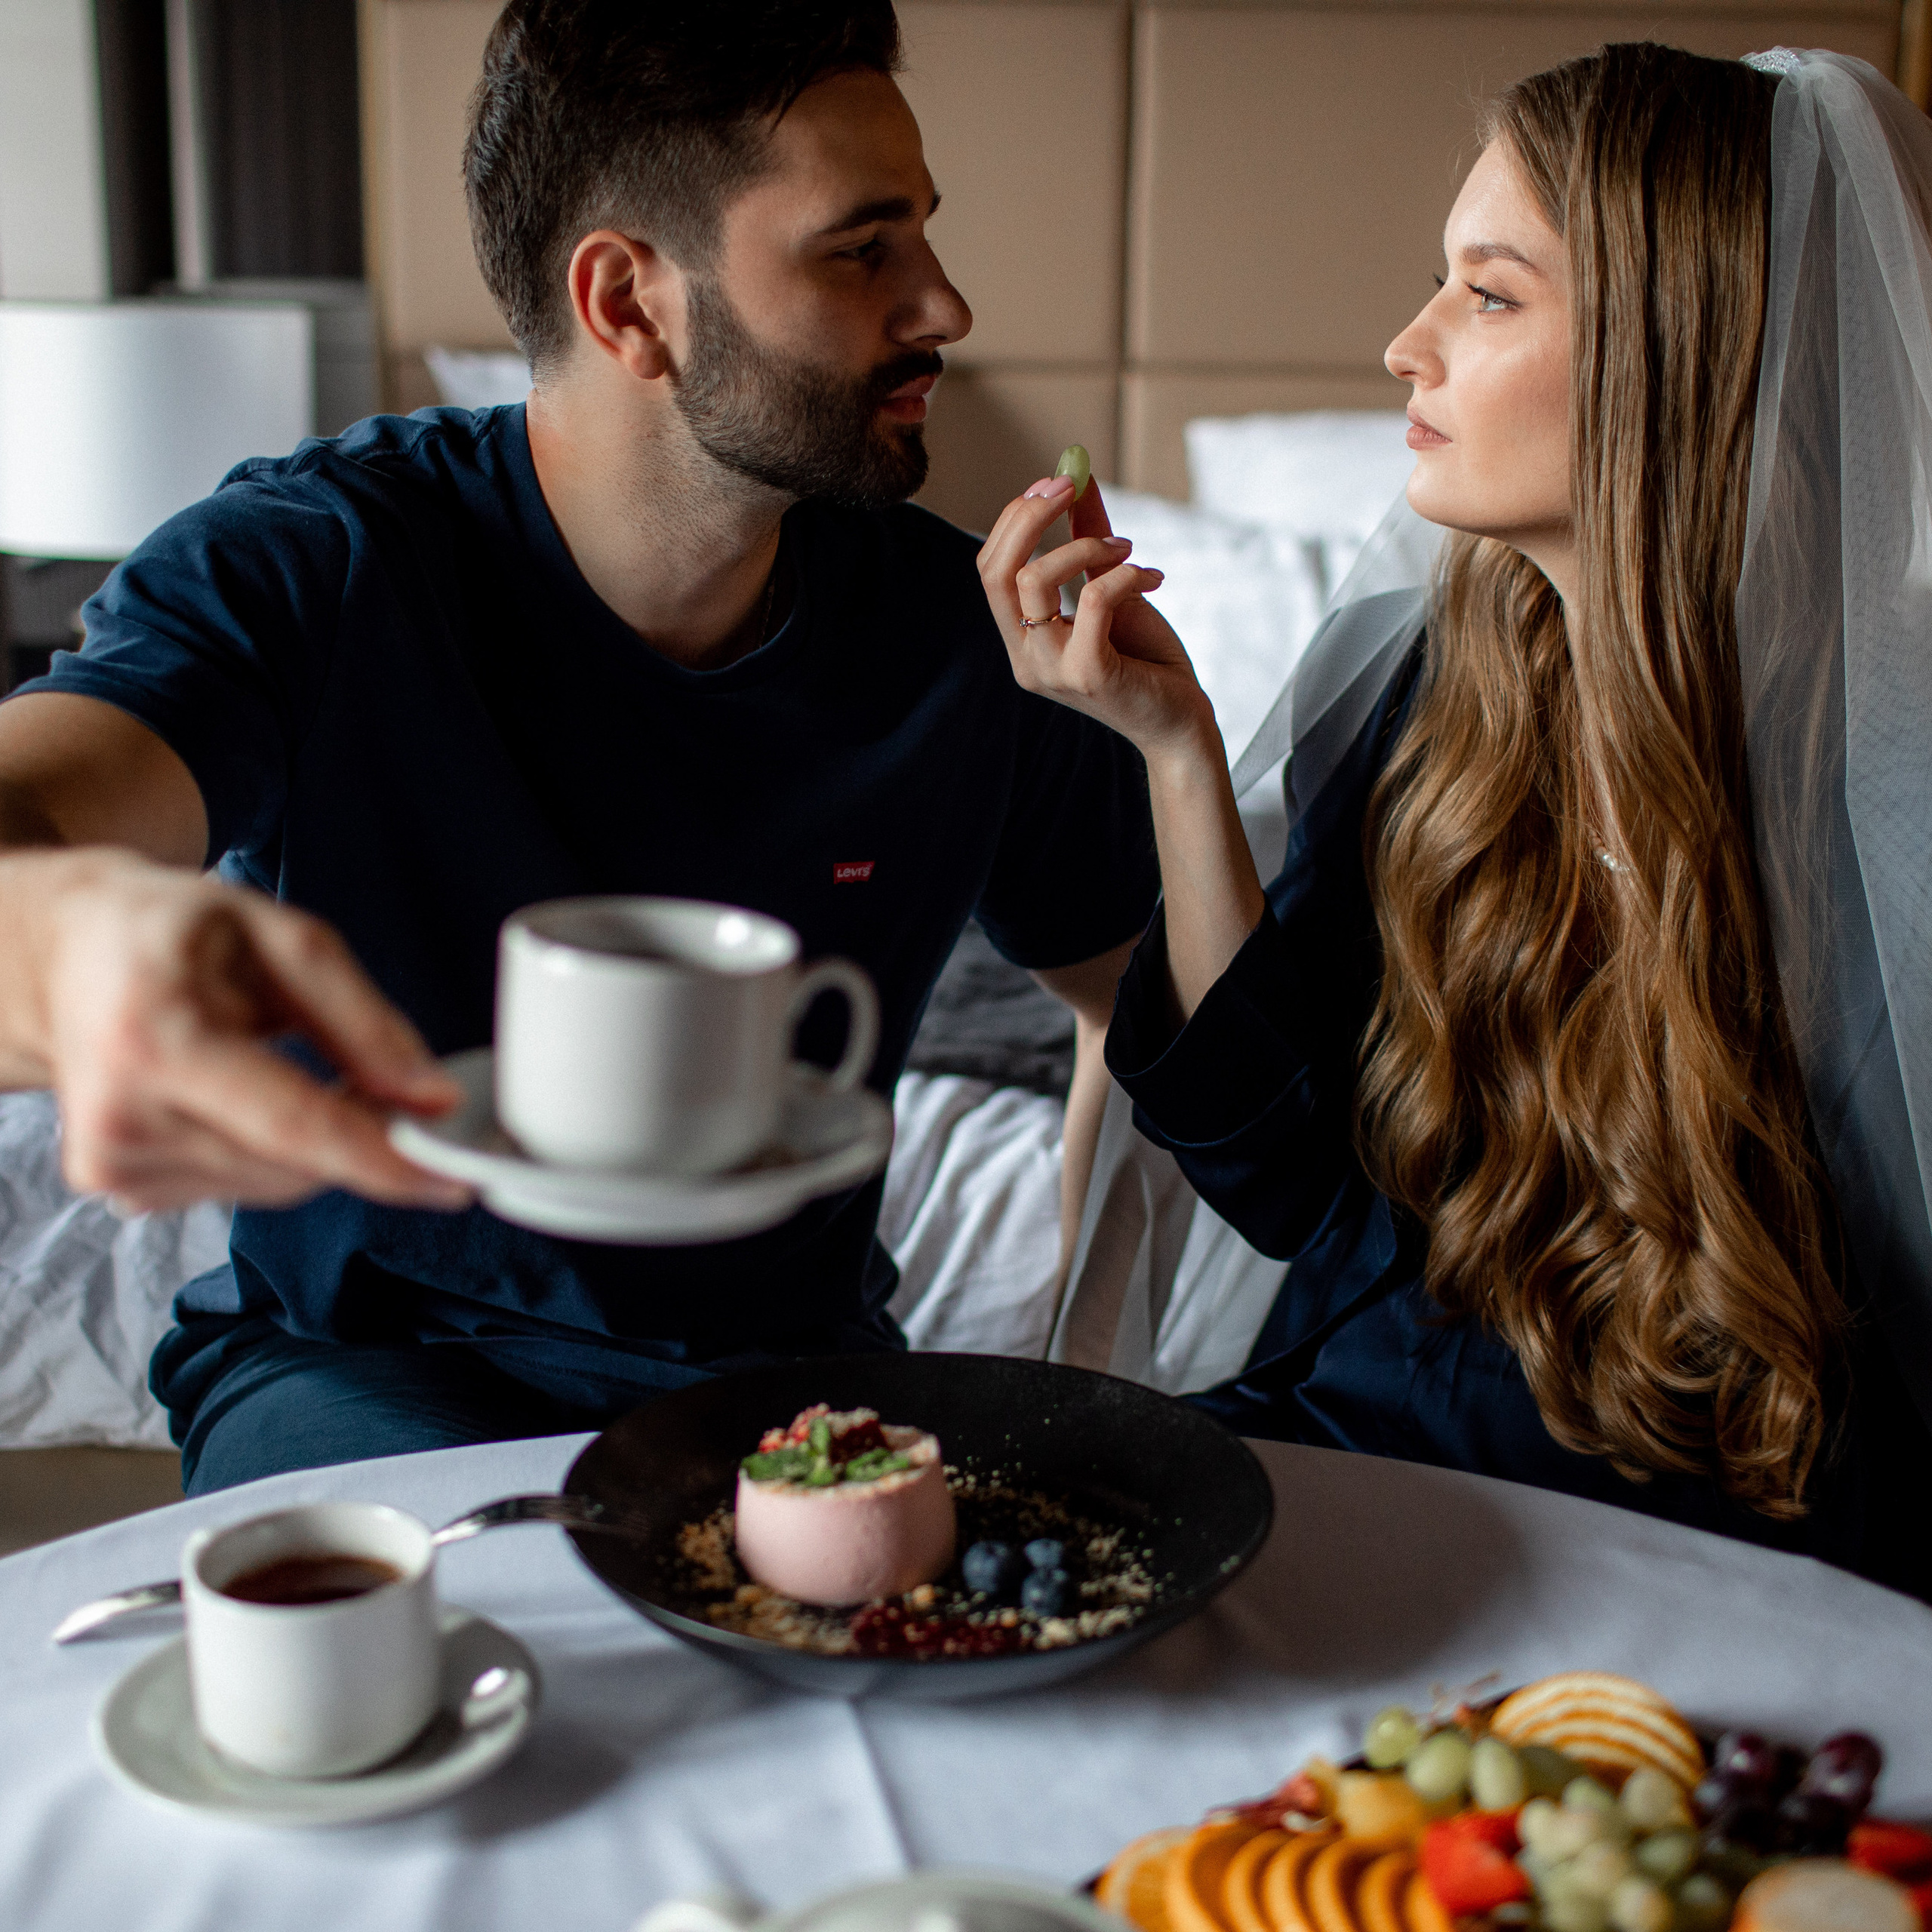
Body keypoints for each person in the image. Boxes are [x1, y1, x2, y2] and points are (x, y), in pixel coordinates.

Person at [0, 0, 1158, 1491]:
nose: (943, 304)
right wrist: (82, 938)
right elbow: (35, 805)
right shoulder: (313, 561)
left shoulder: (963, 630)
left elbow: (1125, 1000)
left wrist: (1080, 1366)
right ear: (628, 303)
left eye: (922, 236)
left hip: (796, 1390)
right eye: (861, 248)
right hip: (366, 1371)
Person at [977, 41, 1932, 1598]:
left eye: (1487, 295)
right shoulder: (1441, 685)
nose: (1402, 345)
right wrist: (1174, 753)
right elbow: (1278, 1173)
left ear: (1668, 354)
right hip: (1345, 1446)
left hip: (1713, 1540)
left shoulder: (1885, 773)